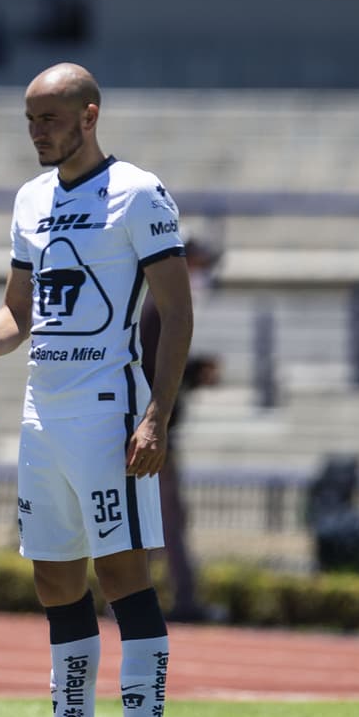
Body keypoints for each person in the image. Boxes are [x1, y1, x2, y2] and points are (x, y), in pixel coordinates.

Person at [0, 63, 192, 717]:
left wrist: (158, 415)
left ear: (90, 115)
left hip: (107, 410)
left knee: (121, 574)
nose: (38, 133)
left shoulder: (139, 193)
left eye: (49, 119)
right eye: (30, 121)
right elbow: (18, 311)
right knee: (55, 576)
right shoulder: (30, 200)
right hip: (42, 418)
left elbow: (177, 313)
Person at [139, 237, 222, 622]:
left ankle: (133, 598)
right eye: (201, 265)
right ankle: (178, 600)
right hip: (152, 430)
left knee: (157, 519)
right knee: (165, 518)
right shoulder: (160, 306)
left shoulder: (158, 304)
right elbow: (154, 369)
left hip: (152, 427)